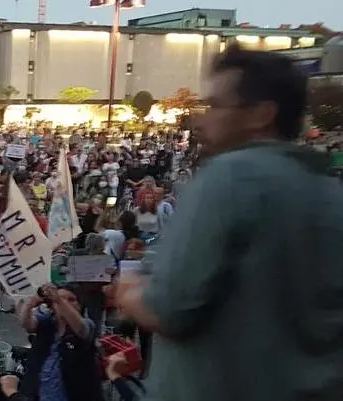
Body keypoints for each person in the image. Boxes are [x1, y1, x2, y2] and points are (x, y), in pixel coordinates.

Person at [116, 46, 343, 401]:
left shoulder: (231, 176)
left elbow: (169, 308)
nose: (204, 120)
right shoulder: (328, 189)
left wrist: (129, 289)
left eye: (217, 105)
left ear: (261, 114)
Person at [18, 283, 104, 401]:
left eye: (71, 300)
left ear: (80, 306)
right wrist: (29, 304)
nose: (65, 303)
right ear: (52, 306)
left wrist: (58, 299)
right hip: (40, 393)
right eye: (61, 299)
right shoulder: (46, 320)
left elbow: (81, 329)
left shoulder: (87, 324)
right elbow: (26, 324)